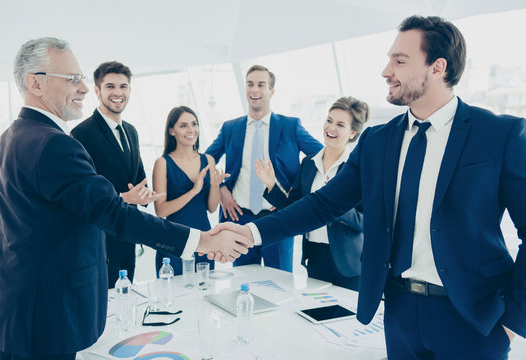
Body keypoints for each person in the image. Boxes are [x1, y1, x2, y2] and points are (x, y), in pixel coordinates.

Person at [215, 16, 526, 359]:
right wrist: (250, 233)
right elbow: (322, 205)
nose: (386, 71)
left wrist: (514, 322)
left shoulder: (499, 135)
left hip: (475, 319)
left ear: (438, 67)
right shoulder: (377, 141)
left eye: (400, 60)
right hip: (400, 314)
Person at [0, 37, 250, 360]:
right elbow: (116, 214)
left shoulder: (6, 141)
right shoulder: (54, 145)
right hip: (48, 316)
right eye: (72, 79)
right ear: (34, 83)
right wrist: (203, 242)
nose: (84, 88)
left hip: (18, 313)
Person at [206, 65, 322, 271]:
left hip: (277, 217)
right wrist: (221, 189)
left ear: (272, 91)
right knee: (242, 283)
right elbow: (204, 161)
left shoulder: (290, 126)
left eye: (261, 85)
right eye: (250, 84)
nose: (254, 90)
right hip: (238, 218)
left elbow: (322, 157)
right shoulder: (230, 128)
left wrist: (293, 194)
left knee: (279, 284)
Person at [255, 96, 368, 291]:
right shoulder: (309, 163)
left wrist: (334, 205)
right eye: (329, 120)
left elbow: (367, 220)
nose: (330, 128)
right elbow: (293, 210)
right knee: (317, 316)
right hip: (315, 257)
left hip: (349, 262)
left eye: (340, 125)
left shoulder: (358, 168)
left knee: (347, 320)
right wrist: (272, 185)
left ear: (352, 133)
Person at [71, 61, 150, 288]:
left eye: (123, 87)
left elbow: (138, 178)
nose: (118, 93)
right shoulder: (81, 134)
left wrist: (145, 194)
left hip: (128, 235)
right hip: (100, 240)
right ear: (97, 91)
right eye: (110, 86)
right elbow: (84, 195)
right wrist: (126, 198)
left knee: (126, 299)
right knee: (104, 307)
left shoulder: (131, 131)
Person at [152, 106, 226, 275]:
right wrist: (194, 191)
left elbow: (212, 208)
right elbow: (160, 210)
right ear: (172, 131)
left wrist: (215, 185)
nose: (191, 130)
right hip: (173, 239)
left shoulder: (208, 160)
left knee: (203, 293)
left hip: (204, 238)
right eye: (183, 125)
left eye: (194, 124)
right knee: (174, 295)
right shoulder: (162, 163)